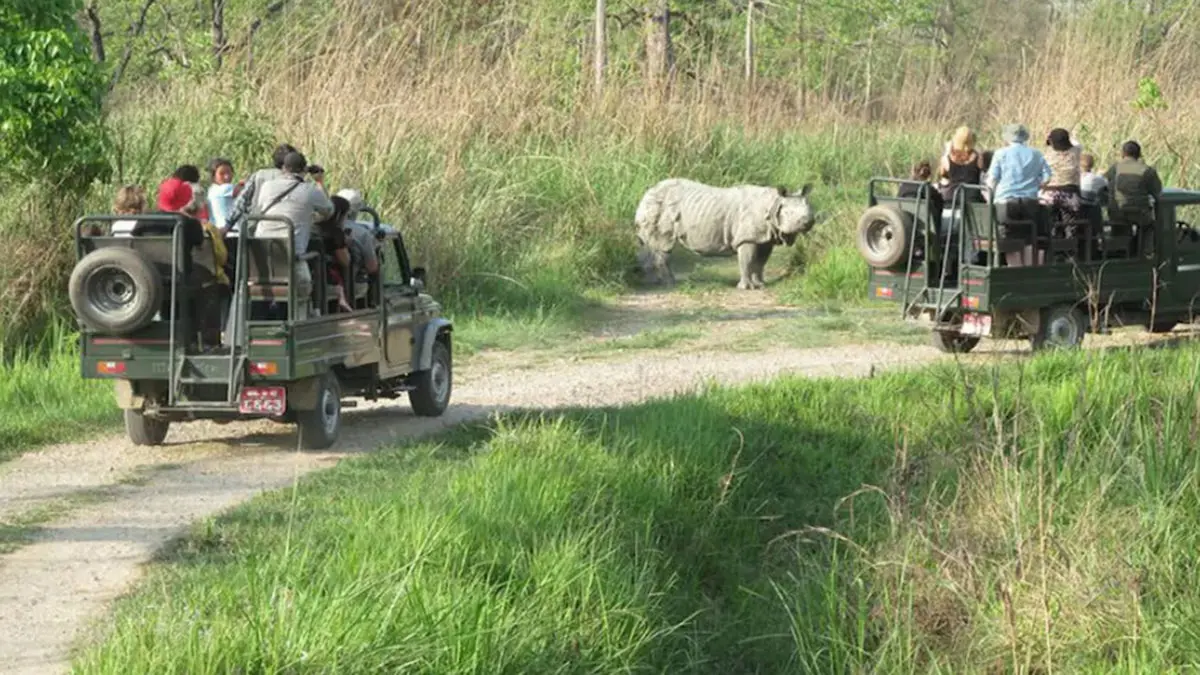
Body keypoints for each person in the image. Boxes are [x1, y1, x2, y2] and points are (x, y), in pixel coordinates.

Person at [253, 151, 335, 314]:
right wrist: (319, 182)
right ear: (304, 169)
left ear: (283, 168)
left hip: (260, 267)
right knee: (311, 266)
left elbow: (261, 207)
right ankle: (309, 316)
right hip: (292, 264)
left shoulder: (267, 186)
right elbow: (329, 211)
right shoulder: (310, 190)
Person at [157, 177, 230, 348]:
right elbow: (199, 242)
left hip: (154, 278)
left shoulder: (143, 221)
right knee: (208, 284)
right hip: (182, 277)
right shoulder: (188, 223)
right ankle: (207, 340)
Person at [987, 123, 1052, 266]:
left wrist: (990, 197)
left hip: (1006, 200)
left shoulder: (1001, 153)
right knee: (1029, 237)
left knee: (1009, 237)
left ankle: (1015, 268)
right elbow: (1047, 177)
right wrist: (1036, 185)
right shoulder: (1036, 153)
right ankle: (1028, 269)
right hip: (1029, 200)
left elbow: (992, 179)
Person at [1104, 140, 1163, 257]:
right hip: (1138, 213)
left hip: (1116, 212)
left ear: (1123, 153)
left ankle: (1119, 252)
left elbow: (1106, 185)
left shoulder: (1114, 168)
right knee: (1149, 226)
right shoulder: (1147, 170)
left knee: (1119, 230)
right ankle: (1145, 252)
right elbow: (1157, 191)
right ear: (1139, 154)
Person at [224, 142, 297, 234]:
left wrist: (227, 225)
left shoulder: (259, 175)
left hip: (255, 228)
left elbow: (241, 202)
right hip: (287, 230)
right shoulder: (296, 179)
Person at [1038, 128, 1083, 228]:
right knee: (1070, 224)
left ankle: (1053, 235)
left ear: (1051, 142)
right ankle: (1070, 236)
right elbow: (1076, 143)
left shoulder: (1046, 155)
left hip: (1048, 194)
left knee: (1050, 224)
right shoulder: (1076, 151)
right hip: (1070, 193)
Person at [938, 126, 985, 203]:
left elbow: (942, 174)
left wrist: (947, 150)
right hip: (973, 199)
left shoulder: (947, 158)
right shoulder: (978, 157)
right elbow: (982, 171)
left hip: (952, 198)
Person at [206, 157, 236, 231]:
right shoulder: (225, 188)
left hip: (217, 230)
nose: (227, 176)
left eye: (229, 172)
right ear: (213, 176)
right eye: (222, 173)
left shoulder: (212, 189)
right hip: (231, 232)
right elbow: (245, 190)